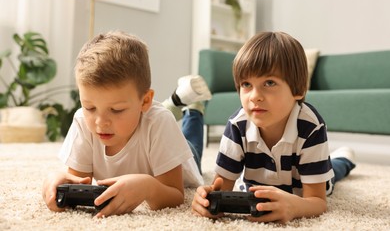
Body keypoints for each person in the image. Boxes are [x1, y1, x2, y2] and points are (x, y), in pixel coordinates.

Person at [42, 31, 211, 218]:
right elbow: (80, 184)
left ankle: (194, 108)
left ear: (145, 101)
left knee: (192, 144)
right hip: (149, 122)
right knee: (153, 116)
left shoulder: (160, 123)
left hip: (178, 156)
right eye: (89, 107)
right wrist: (58, 183)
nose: (100, 122)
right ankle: (174, 102)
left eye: (116, 110)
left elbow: (176, 196)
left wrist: (147, 187)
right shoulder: (82, 121)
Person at [191, 31, 356, 224]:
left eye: (269, 83)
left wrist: (294, 207)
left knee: (333, 171)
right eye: (246, 84)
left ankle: (343, 157)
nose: (254, 96)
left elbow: (318, 201)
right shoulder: (237, 125)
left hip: (303, 182)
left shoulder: (311, 126)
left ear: (298, 90)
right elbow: (220, 188)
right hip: (263, 185)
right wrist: (206, 199)